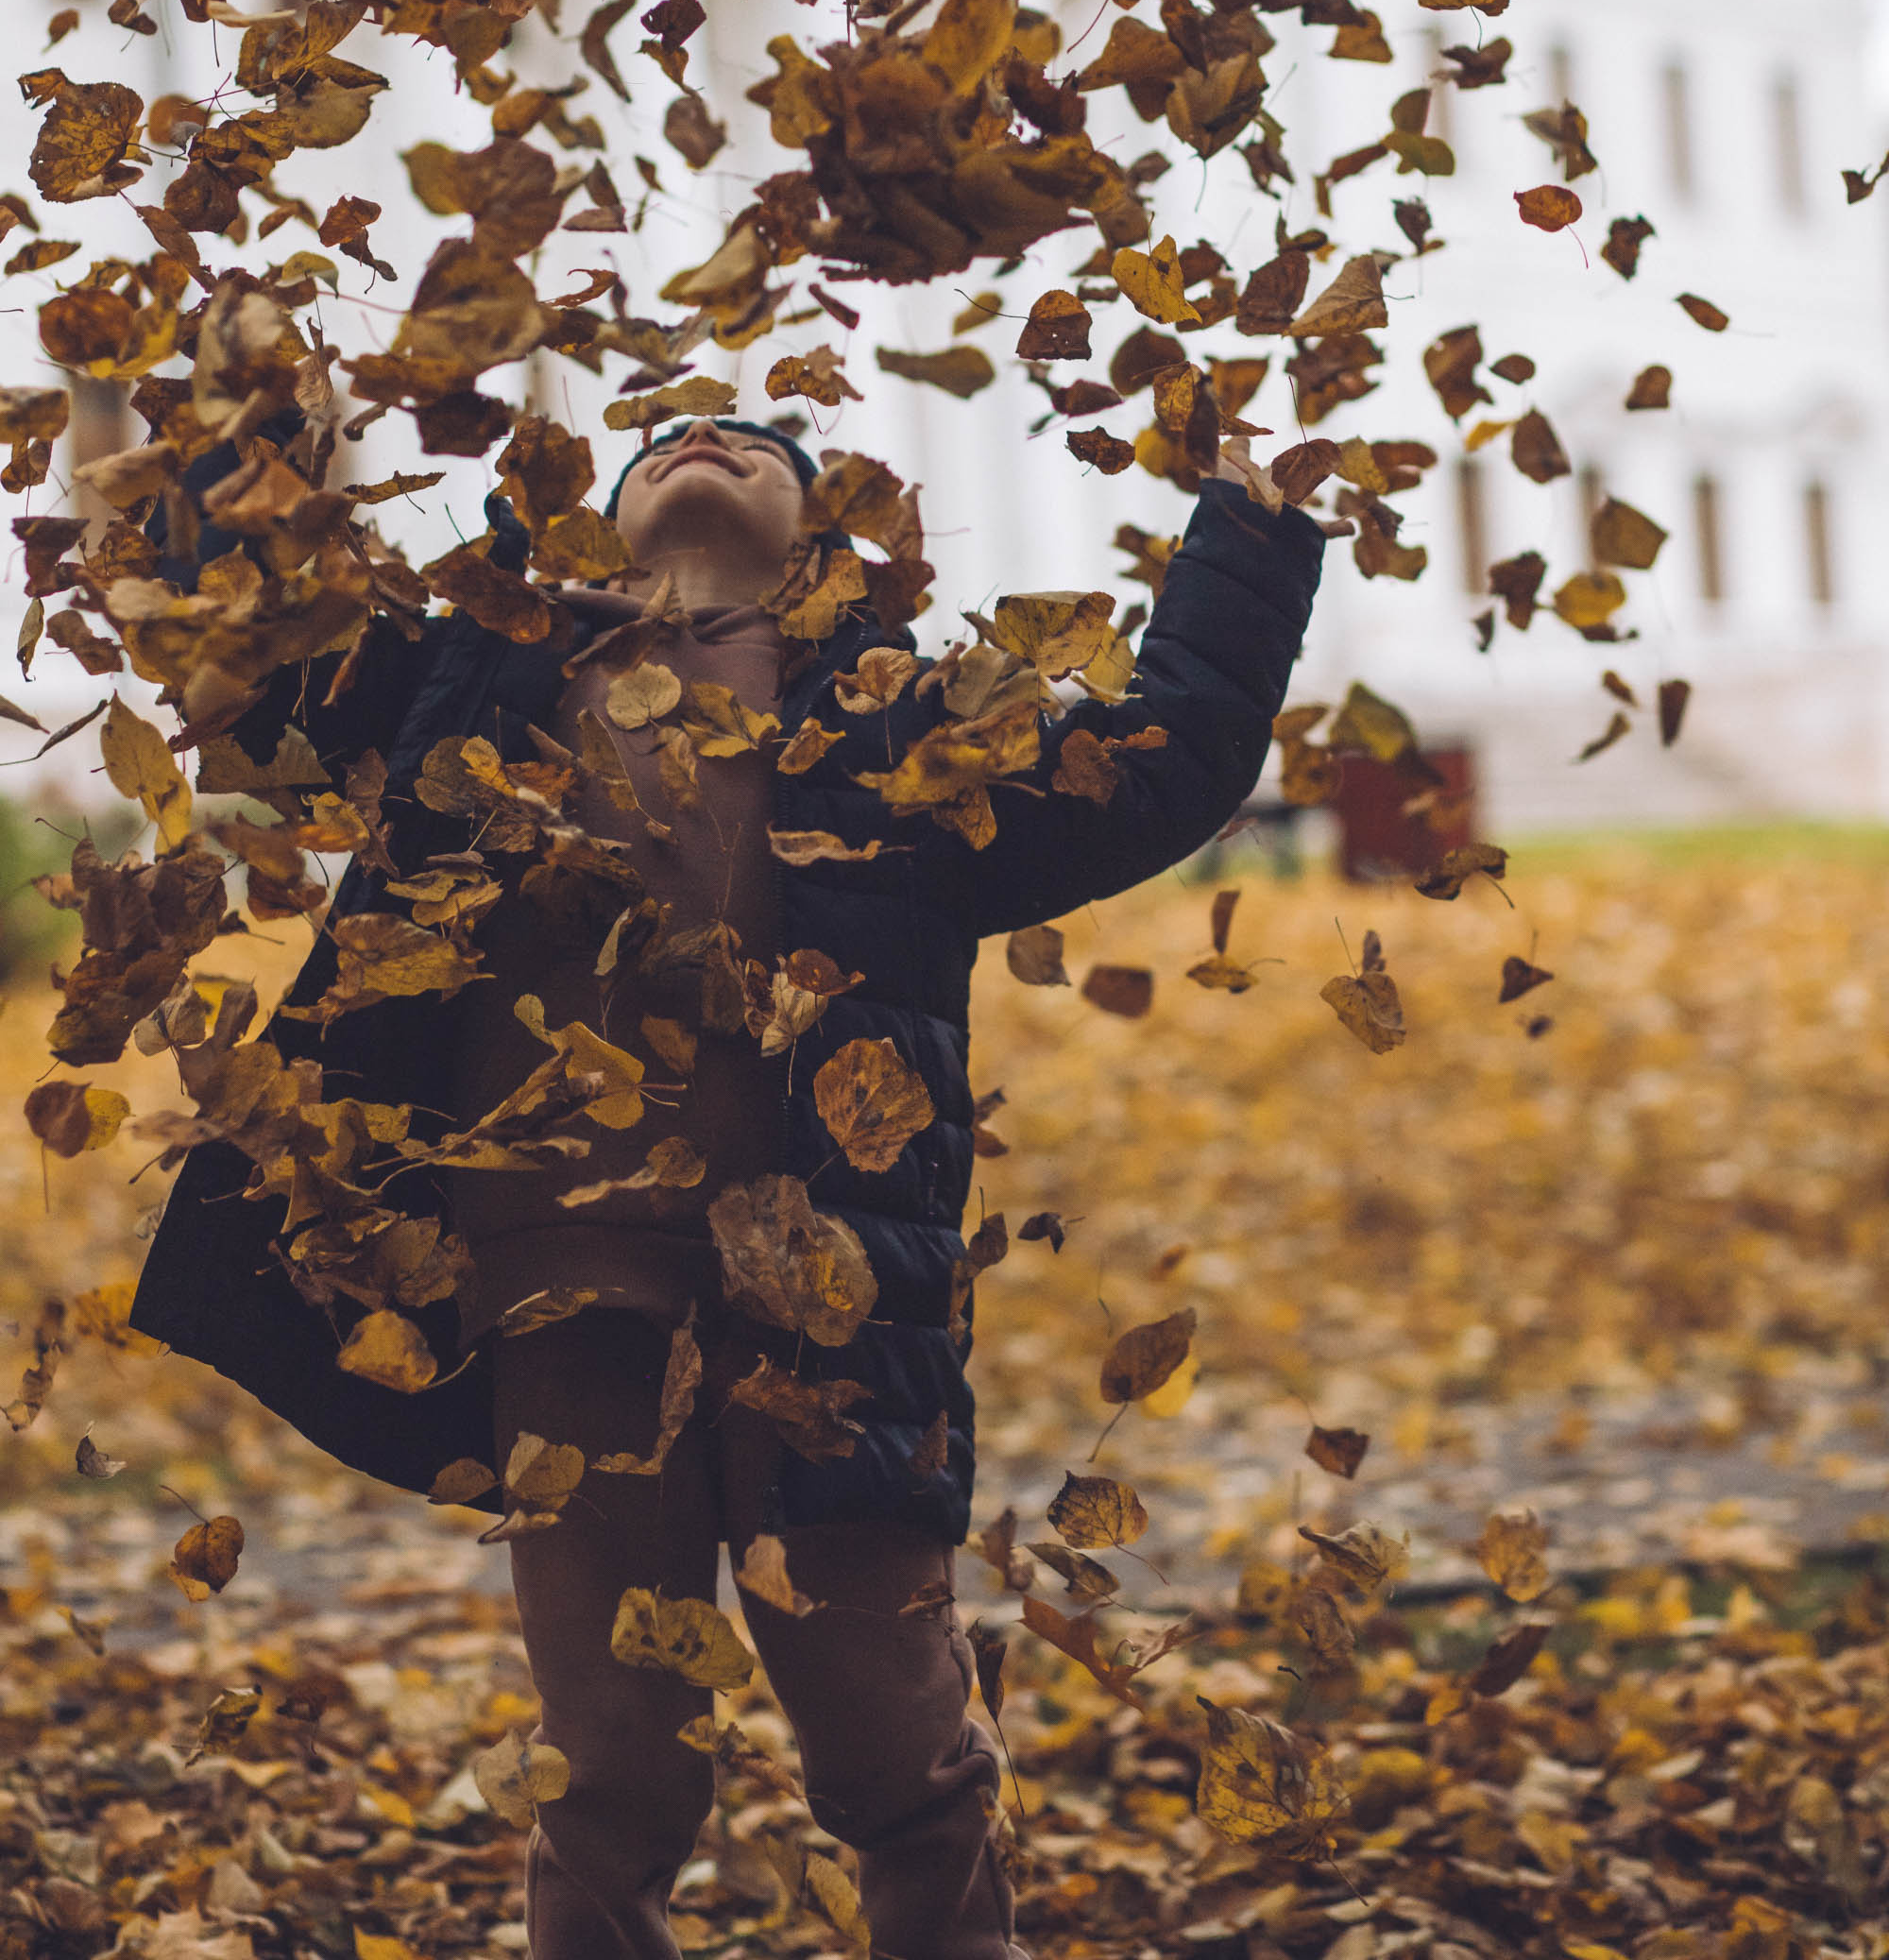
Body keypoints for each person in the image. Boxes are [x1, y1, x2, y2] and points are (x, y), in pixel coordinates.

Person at [132, 414, 1323, 1960]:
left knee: (895, 1750)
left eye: (754, 442)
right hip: (571, 1295)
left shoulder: (896, 724)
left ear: (817, 541)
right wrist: (229, 442)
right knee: (612, 1758)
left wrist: (1249, 529)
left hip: (831, 1313)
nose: (704, 436)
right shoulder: (483, 675)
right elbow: (243, 660)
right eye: (664, 437)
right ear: (603, 515)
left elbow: (1162, 762)